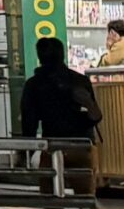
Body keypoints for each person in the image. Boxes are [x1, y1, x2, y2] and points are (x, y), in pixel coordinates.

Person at [17, 37, 100, 192]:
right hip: (82, 146)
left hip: (52, 145)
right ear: (62, 55)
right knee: (86, 200)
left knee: (50, 200)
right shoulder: (79, 81)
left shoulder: (34, 85)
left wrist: (25, 153)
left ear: (39, 57)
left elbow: (29, 123)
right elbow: (96, 116)